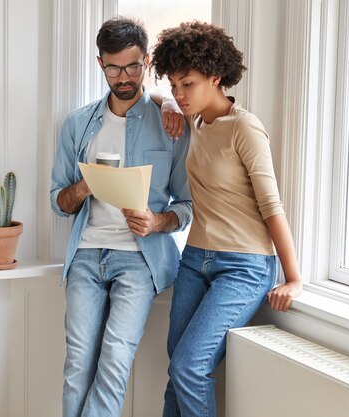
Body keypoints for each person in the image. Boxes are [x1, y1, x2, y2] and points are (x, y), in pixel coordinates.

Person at [150, 21, 303, 417]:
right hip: (194, 259)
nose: (179, 94)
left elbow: (272, 206)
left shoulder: (245, 128)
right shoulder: (195, 121)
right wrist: (167, 103)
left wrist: (294, 278)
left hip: (244, 266)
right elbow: (155, 97)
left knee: (189, 368)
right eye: (173, 84)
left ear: (216, 77)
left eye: (188, 84)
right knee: (177, 369)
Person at [50, 17, 192, 417]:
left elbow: (187, 205)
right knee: (78, 365)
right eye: (114, 68)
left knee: (114, 361)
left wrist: (157, 222)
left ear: (146, 63)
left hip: (138, 259)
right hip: (86, 255)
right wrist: (85, 187)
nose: (124, 77)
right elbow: (57, 200)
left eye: (132, 67)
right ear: (100, 65)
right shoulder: (78, 124)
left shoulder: (170, 124)